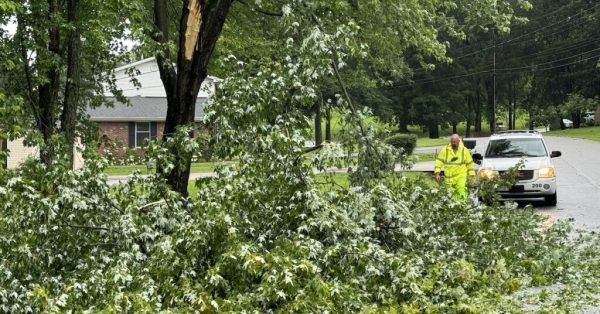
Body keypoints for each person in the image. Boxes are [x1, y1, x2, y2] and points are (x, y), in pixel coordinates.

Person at [434, 134, 476, 201]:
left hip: (460, 176)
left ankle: (462, 207)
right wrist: (437, 173)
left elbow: (470, 164)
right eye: (452, 142)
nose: (453, 144)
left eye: (455, 142)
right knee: (450, 197)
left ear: (459, 141)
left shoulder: (464, 150)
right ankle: (454, 210)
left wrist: (472, 175)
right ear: (450, 141)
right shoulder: (445, 150)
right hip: (449, 179)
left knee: (461, 190)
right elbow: (438, 162)